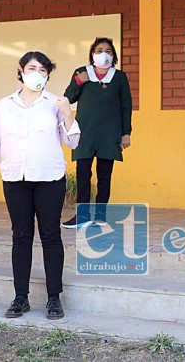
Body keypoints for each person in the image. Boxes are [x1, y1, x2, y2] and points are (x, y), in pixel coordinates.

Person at [0, 51, 80, 319]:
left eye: (43, 70)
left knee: (51, 235)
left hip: (49, 179)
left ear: (48, 74)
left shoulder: (55, 103)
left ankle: (54, 298)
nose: (37, 74)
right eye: (32, 68)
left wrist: (68, 114)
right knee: (21, 236)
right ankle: (20, 298)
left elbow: (73, 142)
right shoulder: (5, 105)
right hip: (16, 180)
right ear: (21, 70)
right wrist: (8, 167)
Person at [61, 37, 132, 228]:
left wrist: (126, 133)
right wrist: (79, 81)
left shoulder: (119, 77)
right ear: (92, 53)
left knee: (104, 175)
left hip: (109, 135)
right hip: (85, 133)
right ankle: (82, 216)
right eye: (99, 50)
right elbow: (67, 98)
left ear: (114, 55)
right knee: (83, 174)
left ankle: (100, 216)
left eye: (108, 51)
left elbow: (126, 106)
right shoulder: (82, 73)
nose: (104, 54)